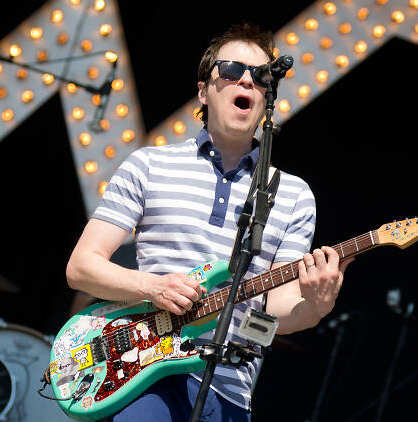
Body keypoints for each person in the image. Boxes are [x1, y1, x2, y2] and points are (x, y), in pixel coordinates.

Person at [65, 23, 353, 422]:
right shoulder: (149, 165)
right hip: (143, 374)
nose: (247, 81)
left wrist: (316, 307)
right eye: (232, 70)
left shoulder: (294, 196)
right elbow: (81, 267)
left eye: (261, 76)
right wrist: (151, 285)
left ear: (268, 96)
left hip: (229, 389)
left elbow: (278, 312)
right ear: (204, 90)